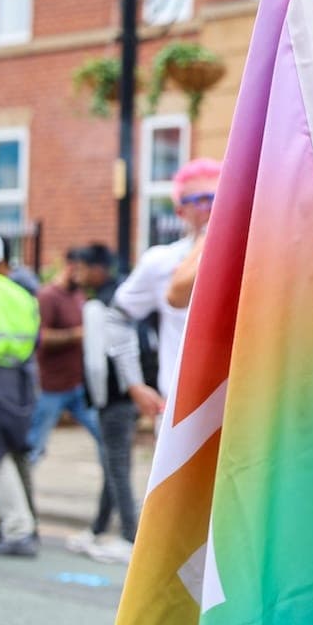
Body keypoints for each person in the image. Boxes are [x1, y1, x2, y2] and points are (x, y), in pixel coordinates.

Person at [108, 157, 221, 426]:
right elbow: (116, 317)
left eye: (220, 196)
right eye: (201, 200)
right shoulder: (161, 261)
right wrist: (134, 383)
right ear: (181, 211)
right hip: (182, 413)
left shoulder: (255, 256)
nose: (213, 207)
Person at [68, 243, 140, 564]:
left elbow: (96, 363)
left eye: (83, 267)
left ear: (99, 268)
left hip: (112, 398)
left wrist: (98, 401)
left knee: (118, 467)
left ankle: (129, 535)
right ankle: (98, 528)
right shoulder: (126, 296)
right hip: (131, 395)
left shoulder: (99, 305)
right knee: (114, 463)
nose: (78, 274)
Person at [0, 228, 41, 557]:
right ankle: (16, 523)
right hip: (18, 380)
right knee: (9, 450)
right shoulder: (21, 293)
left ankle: (18, 529)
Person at [27, 249, 104, 469]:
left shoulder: (78, 295)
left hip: (78, 384)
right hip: (52, 386)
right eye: (79, 270)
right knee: (35, 444)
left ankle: (110, 497)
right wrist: (76, 334)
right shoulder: (48, 296)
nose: (83, 277)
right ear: (70, 267)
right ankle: (17, 494)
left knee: (103, 435)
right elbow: (40, 336)